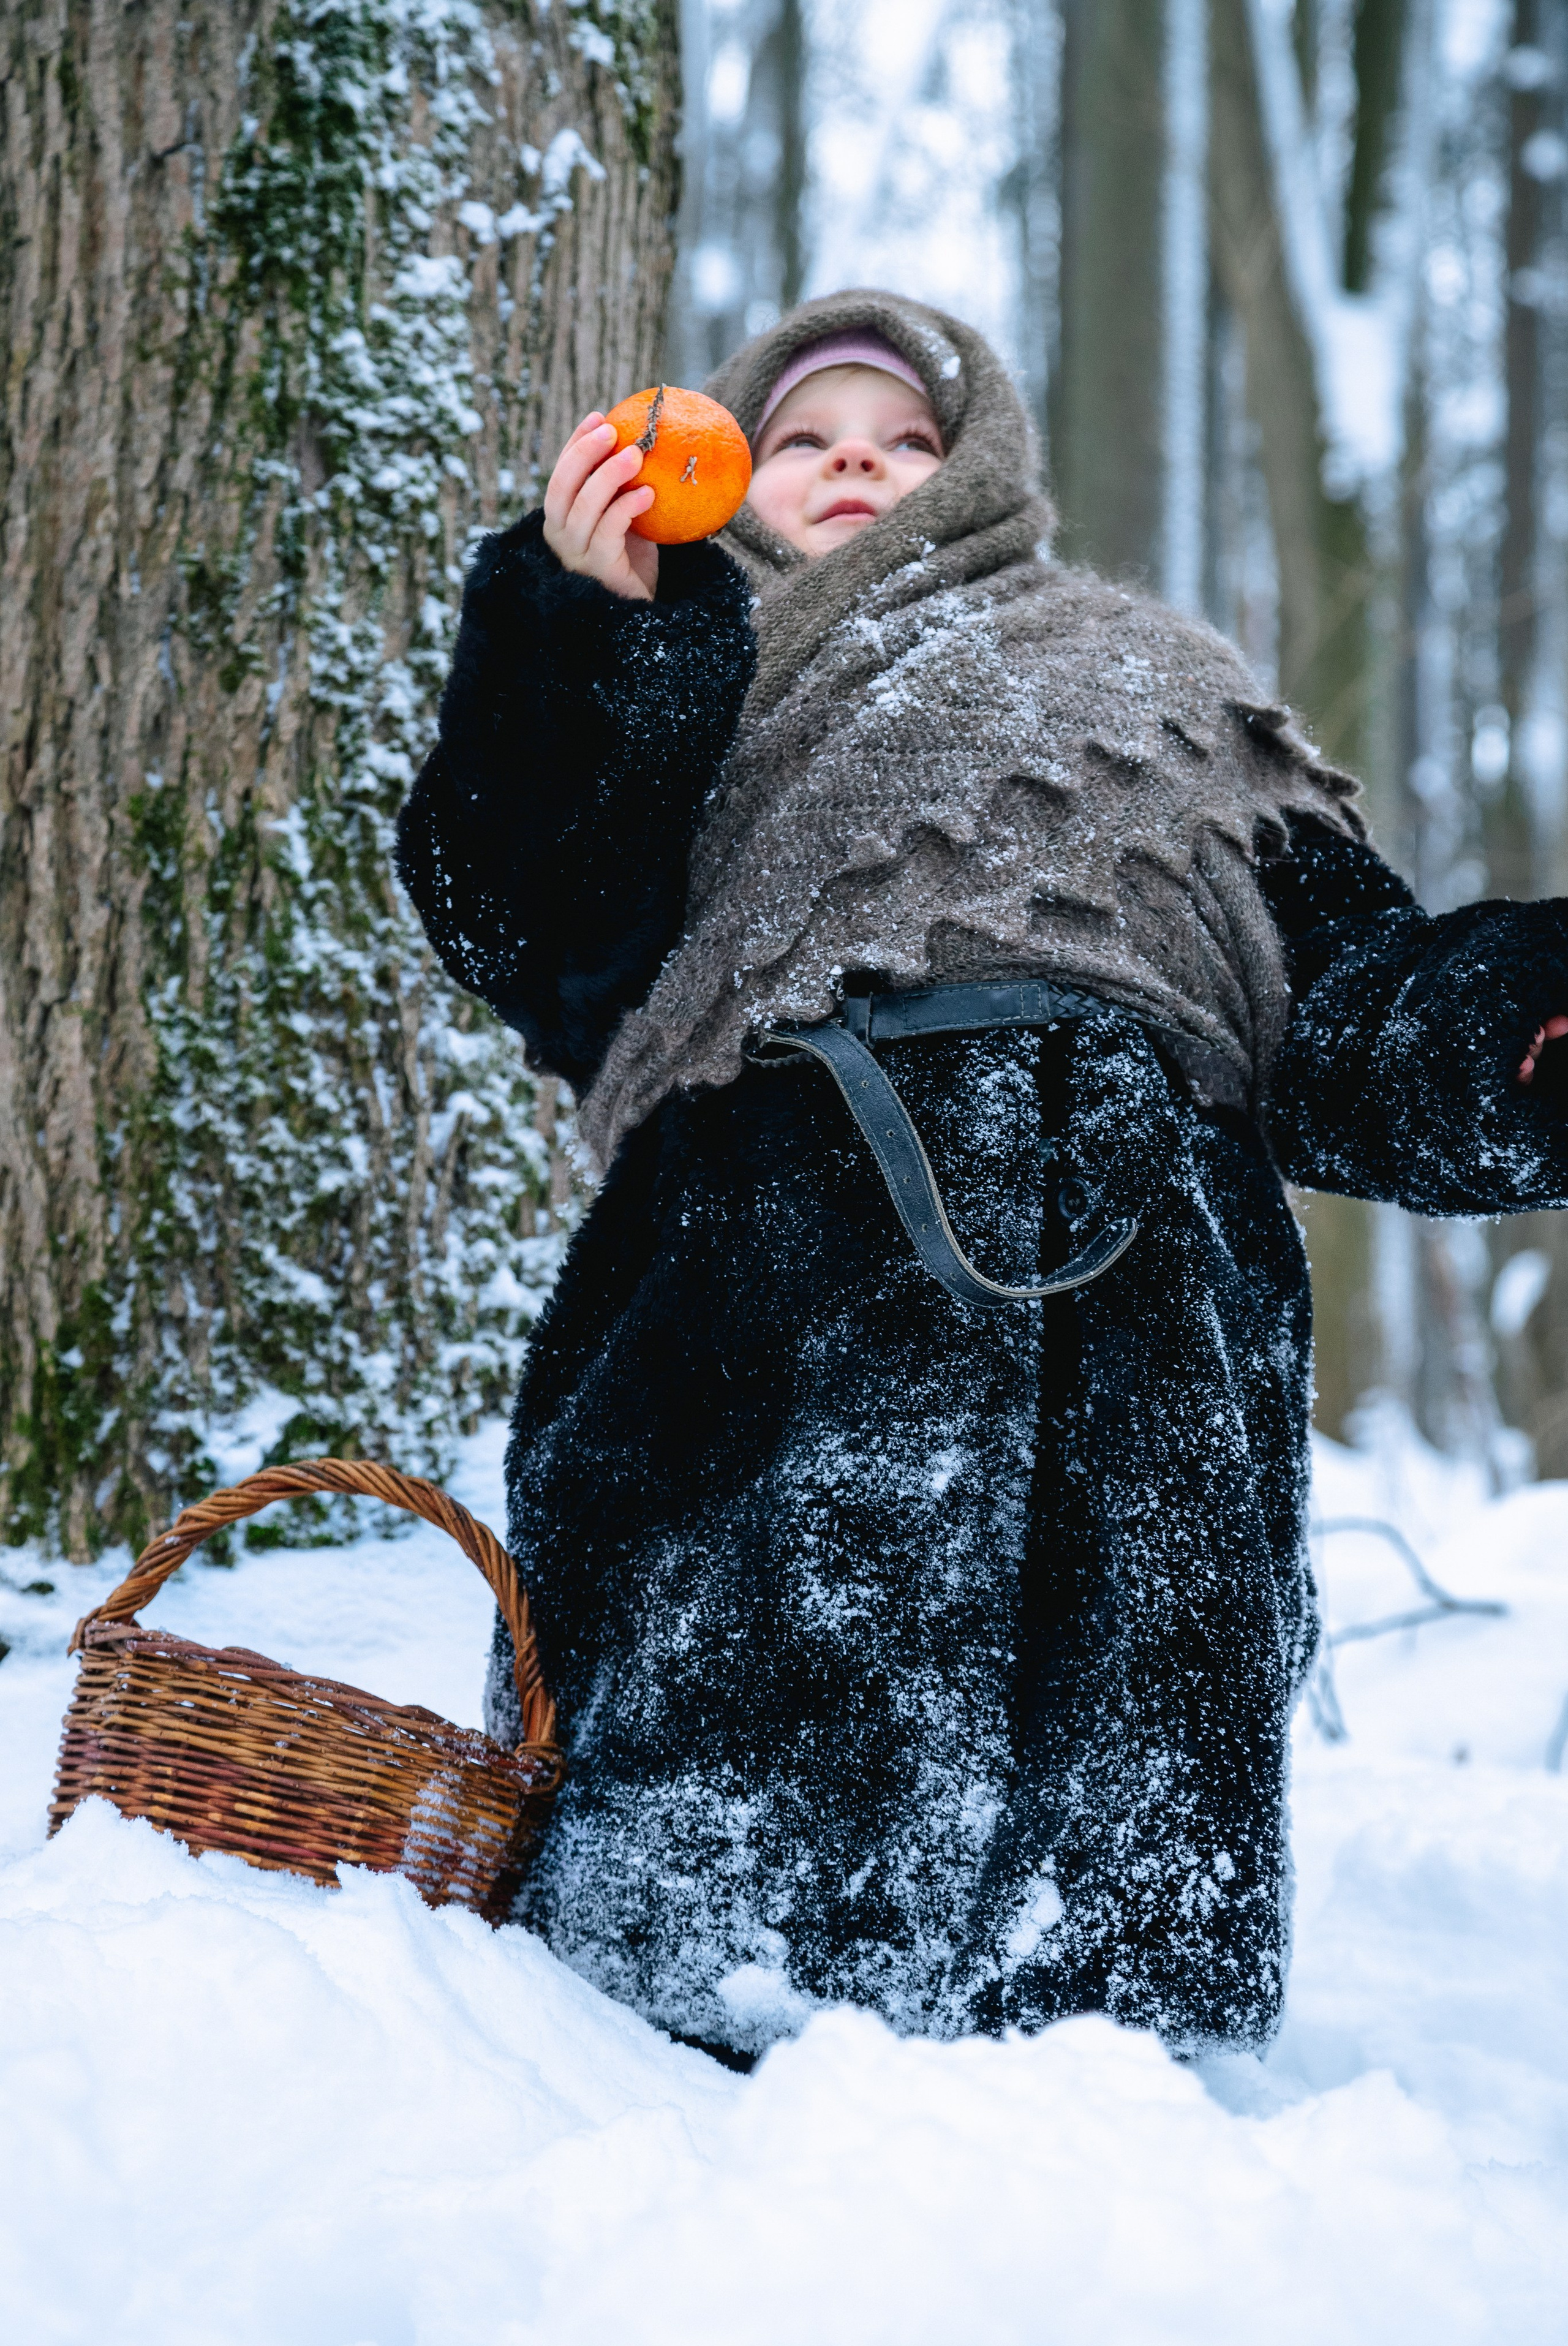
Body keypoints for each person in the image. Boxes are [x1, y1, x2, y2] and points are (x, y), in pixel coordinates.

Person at [396, 290, 1568, 2067]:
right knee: (694, 1971)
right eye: (800, 434)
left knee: (1119, 1987)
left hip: (1142, 1324)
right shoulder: (678, 679)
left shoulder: (1161, 688)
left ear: (983, 471)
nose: (854, 455)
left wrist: (1518, 1024)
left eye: (904, 435)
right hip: (757, 1309)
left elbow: (1349, 1026)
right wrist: (577, 631)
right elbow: (522, 920)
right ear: (725, 473)